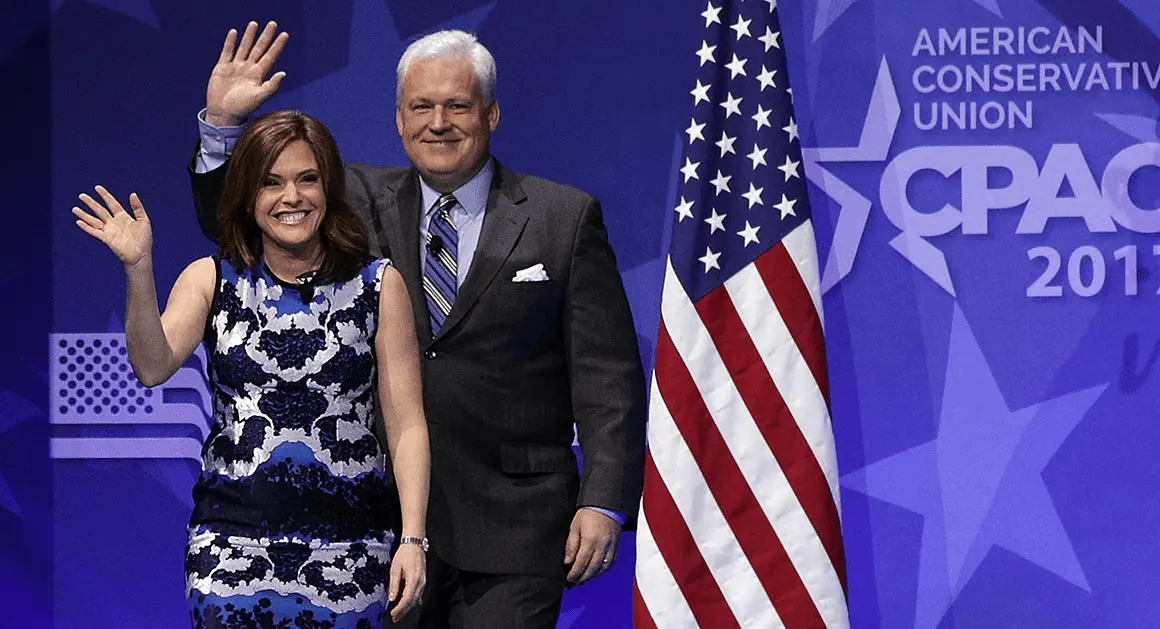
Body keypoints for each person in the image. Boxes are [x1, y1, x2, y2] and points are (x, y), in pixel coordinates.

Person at [188, 23, 647, 628]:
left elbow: (606, 375)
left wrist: (604, 500)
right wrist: (222, 126)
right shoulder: (353, 200)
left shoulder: (562, 217)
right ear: (399, 120)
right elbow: (239, 220)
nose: (439, 123)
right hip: (380, 528)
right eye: (421, 106)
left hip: (516, 526)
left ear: (491, 114)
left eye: (457, 106)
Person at [74, 110, 430, 627]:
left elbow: (407, 424)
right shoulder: (211, 278)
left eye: (308, 179)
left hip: (351, 551)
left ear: (329, 188)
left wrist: (413, 539)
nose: (292, 197)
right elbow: (152, 366)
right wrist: (138, 268)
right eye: (272, 182)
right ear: (247, 193)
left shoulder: (377, 285)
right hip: (230, 553)